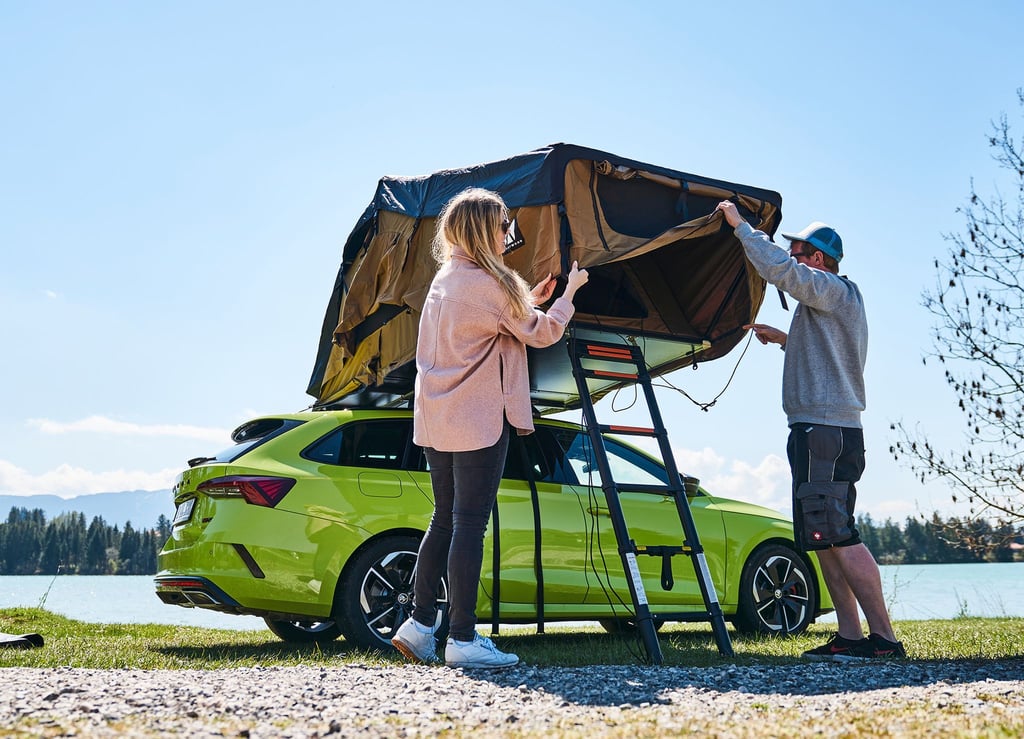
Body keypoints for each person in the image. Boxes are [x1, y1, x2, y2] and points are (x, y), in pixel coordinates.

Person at [392, 187, 589, 669]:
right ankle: (461, 638)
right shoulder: (489, 285)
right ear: (486, 230)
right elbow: (541, 332)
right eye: (505, 227)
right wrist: (567, 296)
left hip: (437, 418)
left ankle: (419, 627)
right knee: (470, 523)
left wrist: (529, 300)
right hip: (478, 419)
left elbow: (504, 319)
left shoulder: (447, 279)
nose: (509, 236)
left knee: (444, 518)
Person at [716, 200, 906, 662]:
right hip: (816, 430)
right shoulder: (829, 304)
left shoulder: (834, 290)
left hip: (826, 431)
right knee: (820, 536)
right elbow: (829, 360)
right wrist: (785, 340)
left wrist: (741, 227)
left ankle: (883, 639)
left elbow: (781, 271)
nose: (793, 258)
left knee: (839, 532)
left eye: (799, 251)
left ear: (818, 259)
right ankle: (851, 636)